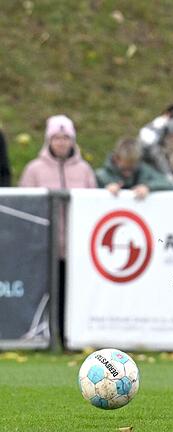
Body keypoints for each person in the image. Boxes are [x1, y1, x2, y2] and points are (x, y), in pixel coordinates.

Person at [18, 114, 97, 345]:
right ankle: (44, 338)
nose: (61, 142)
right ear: (48, 140)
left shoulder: (84, 170)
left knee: (72, 294)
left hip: (75, 247)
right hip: (44, 247)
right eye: (56, 138)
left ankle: (70, 339)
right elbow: (26, 206)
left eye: (66, 138)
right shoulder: (34, 170)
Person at [95, 137, 173, 199]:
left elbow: (170, 184)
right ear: (116, 159)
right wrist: (105, 189)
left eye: (132, 169)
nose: (128, 173)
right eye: (124, 169)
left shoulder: (144, 170)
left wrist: (148, 187)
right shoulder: (102, 175)